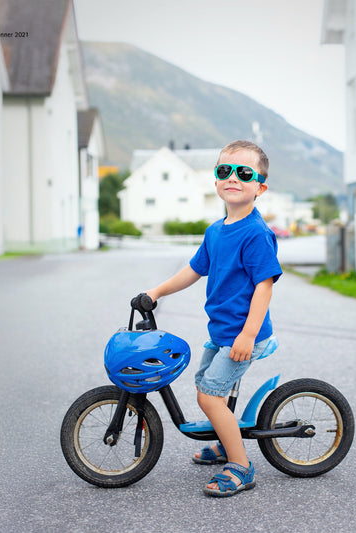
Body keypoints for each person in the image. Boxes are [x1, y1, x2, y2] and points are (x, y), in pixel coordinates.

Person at [146, 140, 282, 497]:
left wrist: (248, 336)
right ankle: (227, 439)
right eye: (224, 170)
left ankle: (240, 466)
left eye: (244, 172)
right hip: (223, 332)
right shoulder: (215, 231)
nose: (232, 177)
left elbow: (264, 288)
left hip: (245, 336)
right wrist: (156, 292)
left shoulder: (255, 233)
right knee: (207, 389)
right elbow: (193, 271)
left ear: (259, 187)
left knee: (209, 397)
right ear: (216, 179)